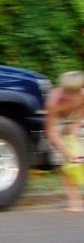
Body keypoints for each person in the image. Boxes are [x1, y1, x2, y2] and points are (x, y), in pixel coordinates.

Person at [44, 70, 84, 212]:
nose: (67, 96)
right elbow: (50, 131)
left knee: (81, 158)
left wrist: (76, 125)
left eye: (72, 93)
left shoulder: (82, 95)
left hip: (75, 118)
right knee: (64, 164)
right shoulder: (54, 101)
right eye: (65, 92)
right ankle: (75, 202)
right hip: (57, 123)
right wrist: (67, 152)